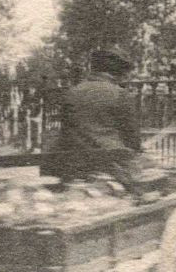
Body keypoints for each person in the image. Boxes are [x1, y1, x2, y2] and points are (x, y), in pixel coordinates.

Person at [46, 49, 147, 188]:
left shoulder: (71, 93)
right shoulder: (121, 95)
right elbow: (132, 139)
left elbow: (66, 131)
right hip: (112, 166)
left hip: (73, 164)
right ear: (117, 72)